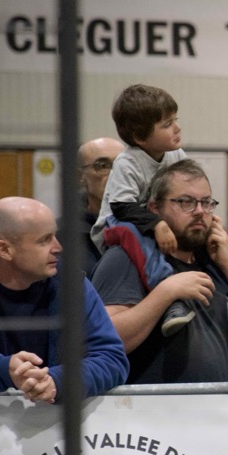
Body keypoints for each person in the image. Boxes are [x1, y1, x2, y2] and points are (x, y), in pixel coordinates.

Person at [0, 197, 128, 400]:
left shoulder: (71, 283)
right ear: (4, 249)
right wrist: (2, 370)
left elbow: (111, 358)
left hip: (51, 417)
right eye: (44, 240)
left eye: (55, 236)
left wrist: (57, 381)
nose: (58, 247)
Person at [92, 159, 228, 384]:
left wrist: (227, 264)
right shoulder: (126, 259)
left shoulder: (214, 262)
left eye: (206, 202)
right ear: (155, 208)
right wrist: (166, 292)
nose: (199, 211)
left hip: (215, 403)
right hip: (154, 404)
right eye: (186, 202)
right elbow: (105, 340)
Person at [89, 84, 192, 336]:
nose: (177, 128)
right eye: (167, 124)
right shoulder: (128, 162)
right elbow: (122, 207)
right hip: (117, 224)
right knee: (138, 237)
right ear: (140, 137)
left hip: (148, 220)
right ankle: (170, 296)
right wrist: (158, 224)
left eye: (175, 120)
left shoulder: (176, 155)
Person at [65, 136, 125, 273]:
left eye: (122, 166)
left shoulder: (150, 225)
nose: (115, 174)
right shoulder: (63, 234)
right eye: (103, 166)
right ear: (80, 176)